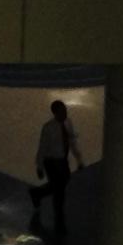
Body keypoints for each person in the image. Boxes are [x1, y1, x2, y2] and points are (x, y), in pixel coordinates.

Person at [28, 97, 80, 236]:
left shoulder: (67, 123)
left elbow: (71, 141)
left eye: (65, 111)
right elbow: (43, 147)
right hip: (51, 161)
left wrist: (78, 158)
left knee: (61, 183)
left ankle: (37, 193)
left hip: (62, 160)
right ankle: (58, 213)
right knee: (59, 187)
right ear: (55, 113)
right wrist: (39, 166)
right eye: (62, 112)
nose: (65, 114)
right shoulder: (48, 128)